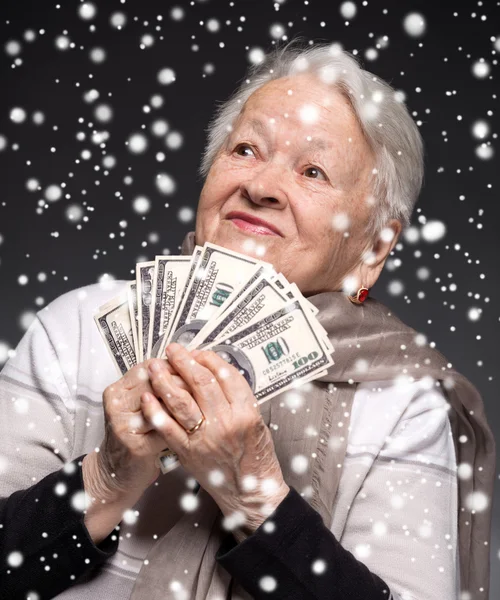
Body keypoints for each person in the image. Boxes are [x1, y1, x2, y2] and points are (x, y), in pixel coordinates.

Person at [0, 38, 495, 600]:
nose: (260, 188)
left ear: (375, 246)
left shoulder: (403, 408)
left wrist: (257, 497)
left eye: (312, 170)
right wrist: (103, 480)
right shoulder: (80, 330)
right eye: (245, 151)